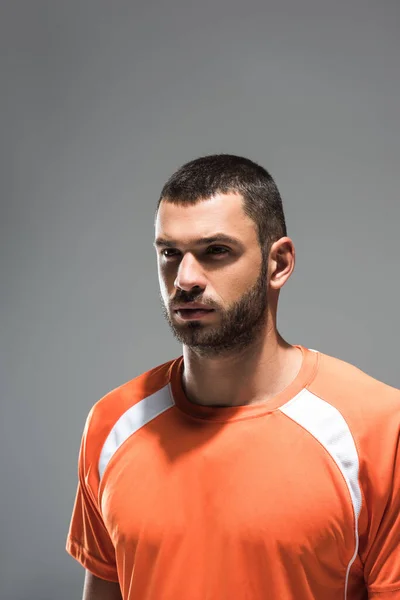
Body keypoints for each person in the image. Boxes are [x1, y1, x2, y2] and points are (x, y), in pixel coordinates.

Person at [66, 154, 400, 600]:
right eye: (169, 253)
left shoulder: (378, 430)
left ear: (278, 263)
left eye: (215, 252)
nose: (184, 279)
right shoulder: (112, 424)